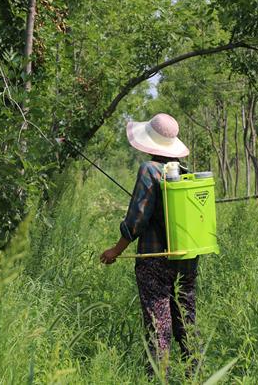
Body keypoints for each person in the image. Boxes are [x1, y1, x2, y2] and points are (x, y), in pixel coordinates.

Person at [100, 113, 198, 377]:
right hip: (187, 257)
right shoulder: (184, 173)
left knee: (159, 325)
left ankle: (157, 379)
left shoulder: (149, 170)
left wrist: (115, 251)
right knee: (186, 321)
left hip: (156, 259)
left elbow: (136, 220)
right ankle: (195, 377)